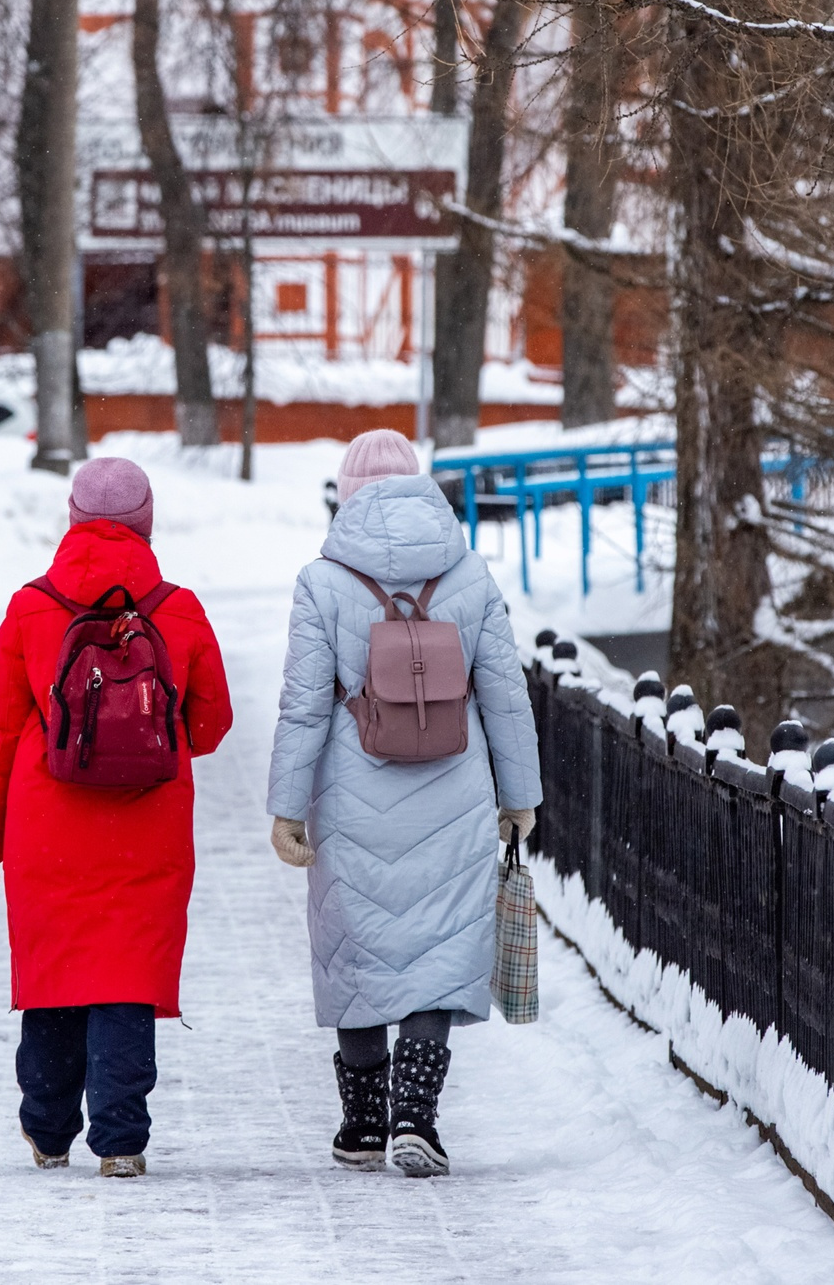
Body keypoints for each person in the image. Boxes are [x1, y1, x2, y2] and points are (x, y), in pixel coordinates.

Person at [267, 428, 540, 1176]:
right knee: (437, 946)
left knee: (357, 948)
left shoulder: (322, 582)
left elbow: (302, 706)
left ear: (347, 495)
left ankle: (362, 1122)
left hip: (351, 792)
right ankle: (415, 1117)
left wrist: (287, 809)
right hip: (454, 788)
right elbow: (506, 697)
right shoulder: (471, 575)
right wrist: (521, 796)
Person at [0, 457, 233, 1179]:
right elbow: (210, 725)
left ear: (73, 520)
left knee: (57, 973)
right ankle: (121, 1141)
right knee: (126, 976)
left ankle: (48, 1129)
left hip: (46, 826)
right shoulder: (179, 607)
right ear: (146, 524)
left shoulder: (30, 606)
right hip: (147, 825)